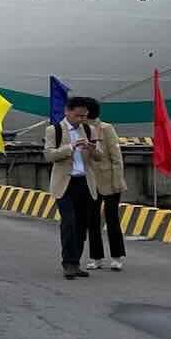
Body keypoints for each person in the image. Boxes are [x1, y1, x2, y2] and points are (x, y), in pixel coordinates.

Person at [45, 98, 101, 280]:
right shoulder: (55, 130)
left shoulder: (89, 130)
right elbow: (49, 155)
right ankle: (68, 263)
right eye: (78, 115)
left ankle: (76, 262)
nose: (81, 119)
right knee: (69, 222)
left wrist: (92, 148)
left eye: (84, 116)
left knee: (81, 224)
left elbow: (99, 157)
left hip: (85, 181)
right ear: (67, 112)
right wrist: (70, 147)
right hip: (65, 184)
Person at [80, 97, 126, 271]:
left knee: (112, 219)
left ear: (88, 113)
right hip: (91, 181)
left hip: (110, 181)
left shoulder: (106, 129)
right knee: (92, 220)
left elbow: (116, 158)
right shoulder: (80, 130)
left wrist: (117, 181)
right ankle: (96, 257)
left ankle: (117, 256)